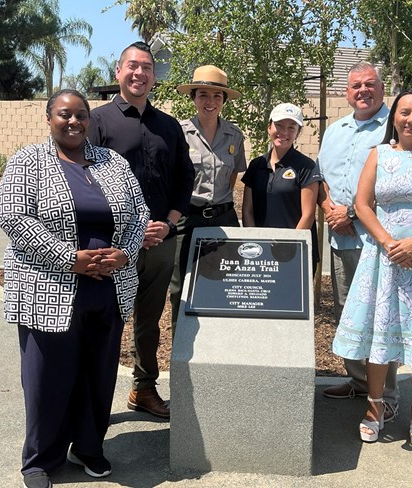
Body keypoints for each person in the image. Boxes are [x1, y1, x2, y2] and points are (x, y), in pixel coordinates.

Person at [0, 89, 149, 488]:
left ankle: (87, 447)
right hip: (47, 287)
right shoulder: (28, 161)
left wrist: (125, 254)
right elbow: (14, 218)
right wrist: (70, 259)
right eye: (65, 114)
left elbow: (139, 213)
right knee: (48, 376)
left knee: (98, 374)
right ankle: (40, 461)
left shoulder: (111, 161)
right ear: (49, 118)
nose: (74, 121)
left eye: (81, 115)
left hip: (109, 288)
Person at [332, 88, 412, 447]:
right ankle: (375, 407)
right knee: (380, 332)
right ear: (394, 117)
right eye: (404, 112)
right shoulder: (378, 153)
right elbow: (362, 203)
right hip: (384, 256)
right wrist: (390, 243)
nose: (410, 119)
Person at [88, 41, 194, 419]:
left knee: (149, 322)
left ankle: (143, 389)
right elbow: (85, 182)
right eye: (132, 66)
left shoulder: (168, 126)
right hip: (114, 245)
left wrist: (169, 222)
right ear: (118, 72)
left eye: (147, 67)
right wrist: (129, 230)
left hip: (162, 241)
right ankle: (93, 398)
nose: (139, 73)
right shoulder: (97, 122)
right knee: (108, 319)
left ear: (154, 76)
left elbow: (185, 178)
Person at [316, 61, 399, 420]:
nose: (362, 91)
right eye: (355, 86)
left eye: (369, 84)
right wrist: (330, 209)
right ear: (346, 93)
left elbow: (397, 181)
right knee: (347, 312)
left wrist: (350, 213)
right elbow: (320, 178)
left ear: (381, 90)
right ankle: (359, 381)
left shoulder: (395, 130)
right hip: (339, 241)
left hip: (376, 241)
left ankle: (388, 394)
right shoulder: (334, 131)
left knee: (380, 318)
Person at [170, 65, 246, 331]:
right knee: (180, 286)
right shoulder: (178, 133)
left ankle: (218, 344)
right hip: (187, 220)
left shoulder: (235, 136)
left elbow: (232, 177)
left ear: (224, 101)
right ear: (193, 98)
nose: (210, 102)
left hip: (223, 220)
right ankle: (182, 347)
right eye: (203, 94)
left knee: (225, 282)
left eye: (217, 96)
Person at [241, 102, 320, 266]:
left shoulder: (306, 166)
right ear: (269, 127)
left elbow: (308, 215)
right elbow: (247, 211)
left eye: (292, 127)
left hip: (295, 251)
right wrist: (255, 242)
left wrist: (290, 245)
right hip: (260, 251)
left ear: (298, 133)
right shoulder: (257, 165)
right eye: (279, 125)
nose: (284, 132)